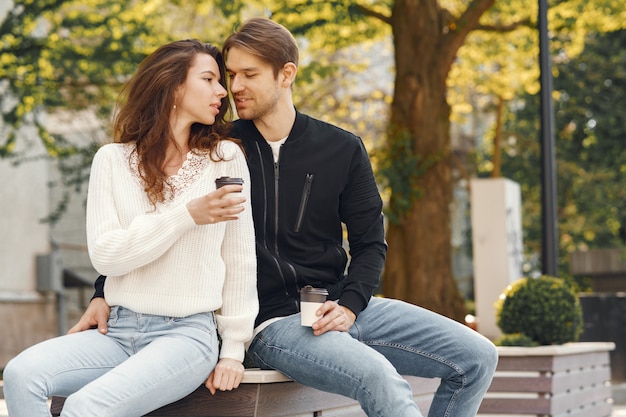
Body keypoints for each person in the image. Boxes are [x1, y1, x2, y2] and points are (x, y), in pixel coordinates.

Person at [74, 18, 498, 417]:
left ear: (286, 74)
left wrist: (350, 305)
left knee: (478, 357)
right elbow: (153, 215)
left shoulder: (342, 148)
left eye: (248, 75)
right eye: (229, 75)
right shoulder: (218, 149)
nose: (234, 87)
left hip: (341, 305)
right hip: (273, 322)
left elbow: (370, 243)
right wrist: (102, 291)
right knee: (380, 378)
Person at [3, 40, 258, 417]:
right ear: (172, 87)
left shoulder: (225, 159)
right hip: (119, 331)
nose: (223, 91)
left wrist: (233, 351)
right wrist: (186, 215)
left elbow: (238, 259)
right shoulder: (112, 161)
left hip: (186, 336)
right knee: (21, 373)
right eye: (209, 79)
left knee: (84, 407)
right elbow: (108, 255)